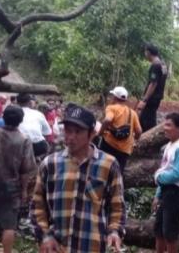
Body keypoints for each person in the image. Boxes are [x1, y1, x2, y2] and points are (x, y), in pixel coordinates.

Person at [30, 103, 125, 253]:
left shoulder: (108, 164)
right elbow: (38, 205)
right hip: (57, 247)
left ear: (92, 134)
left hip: (91, 246)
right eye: (68, 131)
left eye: (78, 131)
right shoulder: (50, 164)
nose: (71, 137)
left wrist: (114, 231)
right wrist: (45, 235)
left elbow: (117, 205)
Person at [0, 105, 36, 253]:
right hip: (11, 188)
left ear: (3, 117)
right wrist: (24, 191)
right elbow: (26, 169)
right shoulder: (24, 140)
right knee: (9, 226)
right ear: (20, 120)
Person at [152, 113, 179, 253]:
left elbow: (177, 174)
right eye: (165, 124)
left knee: (170, 231)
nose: (165, 128)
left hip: (176, 191)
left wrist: (158, 177)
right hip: (167, 190)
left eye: (169, 125)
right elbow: (165, 168)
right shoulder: (170, 144)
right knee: (159, 229)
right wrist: (158, 194)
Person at [98, 86, 142, 174]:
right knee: (117, 174)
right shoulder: (132, 113)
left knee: (102, 170)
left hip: (109, 145)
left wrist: (100, 132)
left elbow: (107, 120)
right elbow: (139, 131)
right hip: (124, 150)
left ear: (114, 97)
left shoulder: (111, 108)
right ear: (125, 100)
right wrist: (135, 139)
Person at [136, 43, 168, 132]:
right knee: (146, 118)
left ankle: (150, 140)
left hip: (152, 98)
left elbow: (153, 84)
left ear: (148, 52)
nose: (145, 54)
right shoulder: (163, 64)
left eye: (145, 52)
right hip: (158, 96)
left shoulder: (155, 65)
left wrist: (144, 99)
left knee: (146, 121)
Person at [17, 93, 52, 159]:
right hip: (38, 146)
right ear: (30, 102)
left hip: (19, 146)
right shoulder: (38, 114)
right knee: (46, 147)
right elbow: (48, 132)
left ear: (16, 102)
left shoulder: (14, 113)